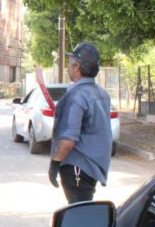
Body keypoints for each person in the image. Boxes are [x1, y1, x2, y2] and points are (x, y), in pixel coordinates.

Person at [48, 42, 112, 203]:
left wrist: (55, 164)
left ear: (76, 66)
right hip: (92, 167)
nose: (68, 66)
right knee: (83, 208)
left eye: (70, 62)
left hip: (77, 167)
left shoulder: (76, 96)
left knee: (78, 213)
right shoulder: (101, 94)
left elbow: (69, 139)